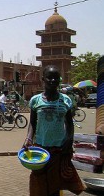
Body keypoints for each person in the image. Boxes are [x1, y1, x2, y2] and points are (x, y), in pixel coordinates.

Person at [22, 65, 85, 196]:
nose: (52, 81)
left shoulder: (65, 100)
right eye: (49, 78)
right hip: (40, 148)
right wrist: (28, 138)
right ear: (43, 79)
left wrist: (69, 140)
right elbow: (32, 123)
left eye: (56, 78)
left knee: (55, 186)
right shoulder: (36, 100)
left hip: (59, 149)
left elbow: (69, 124)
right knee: (39, 183)